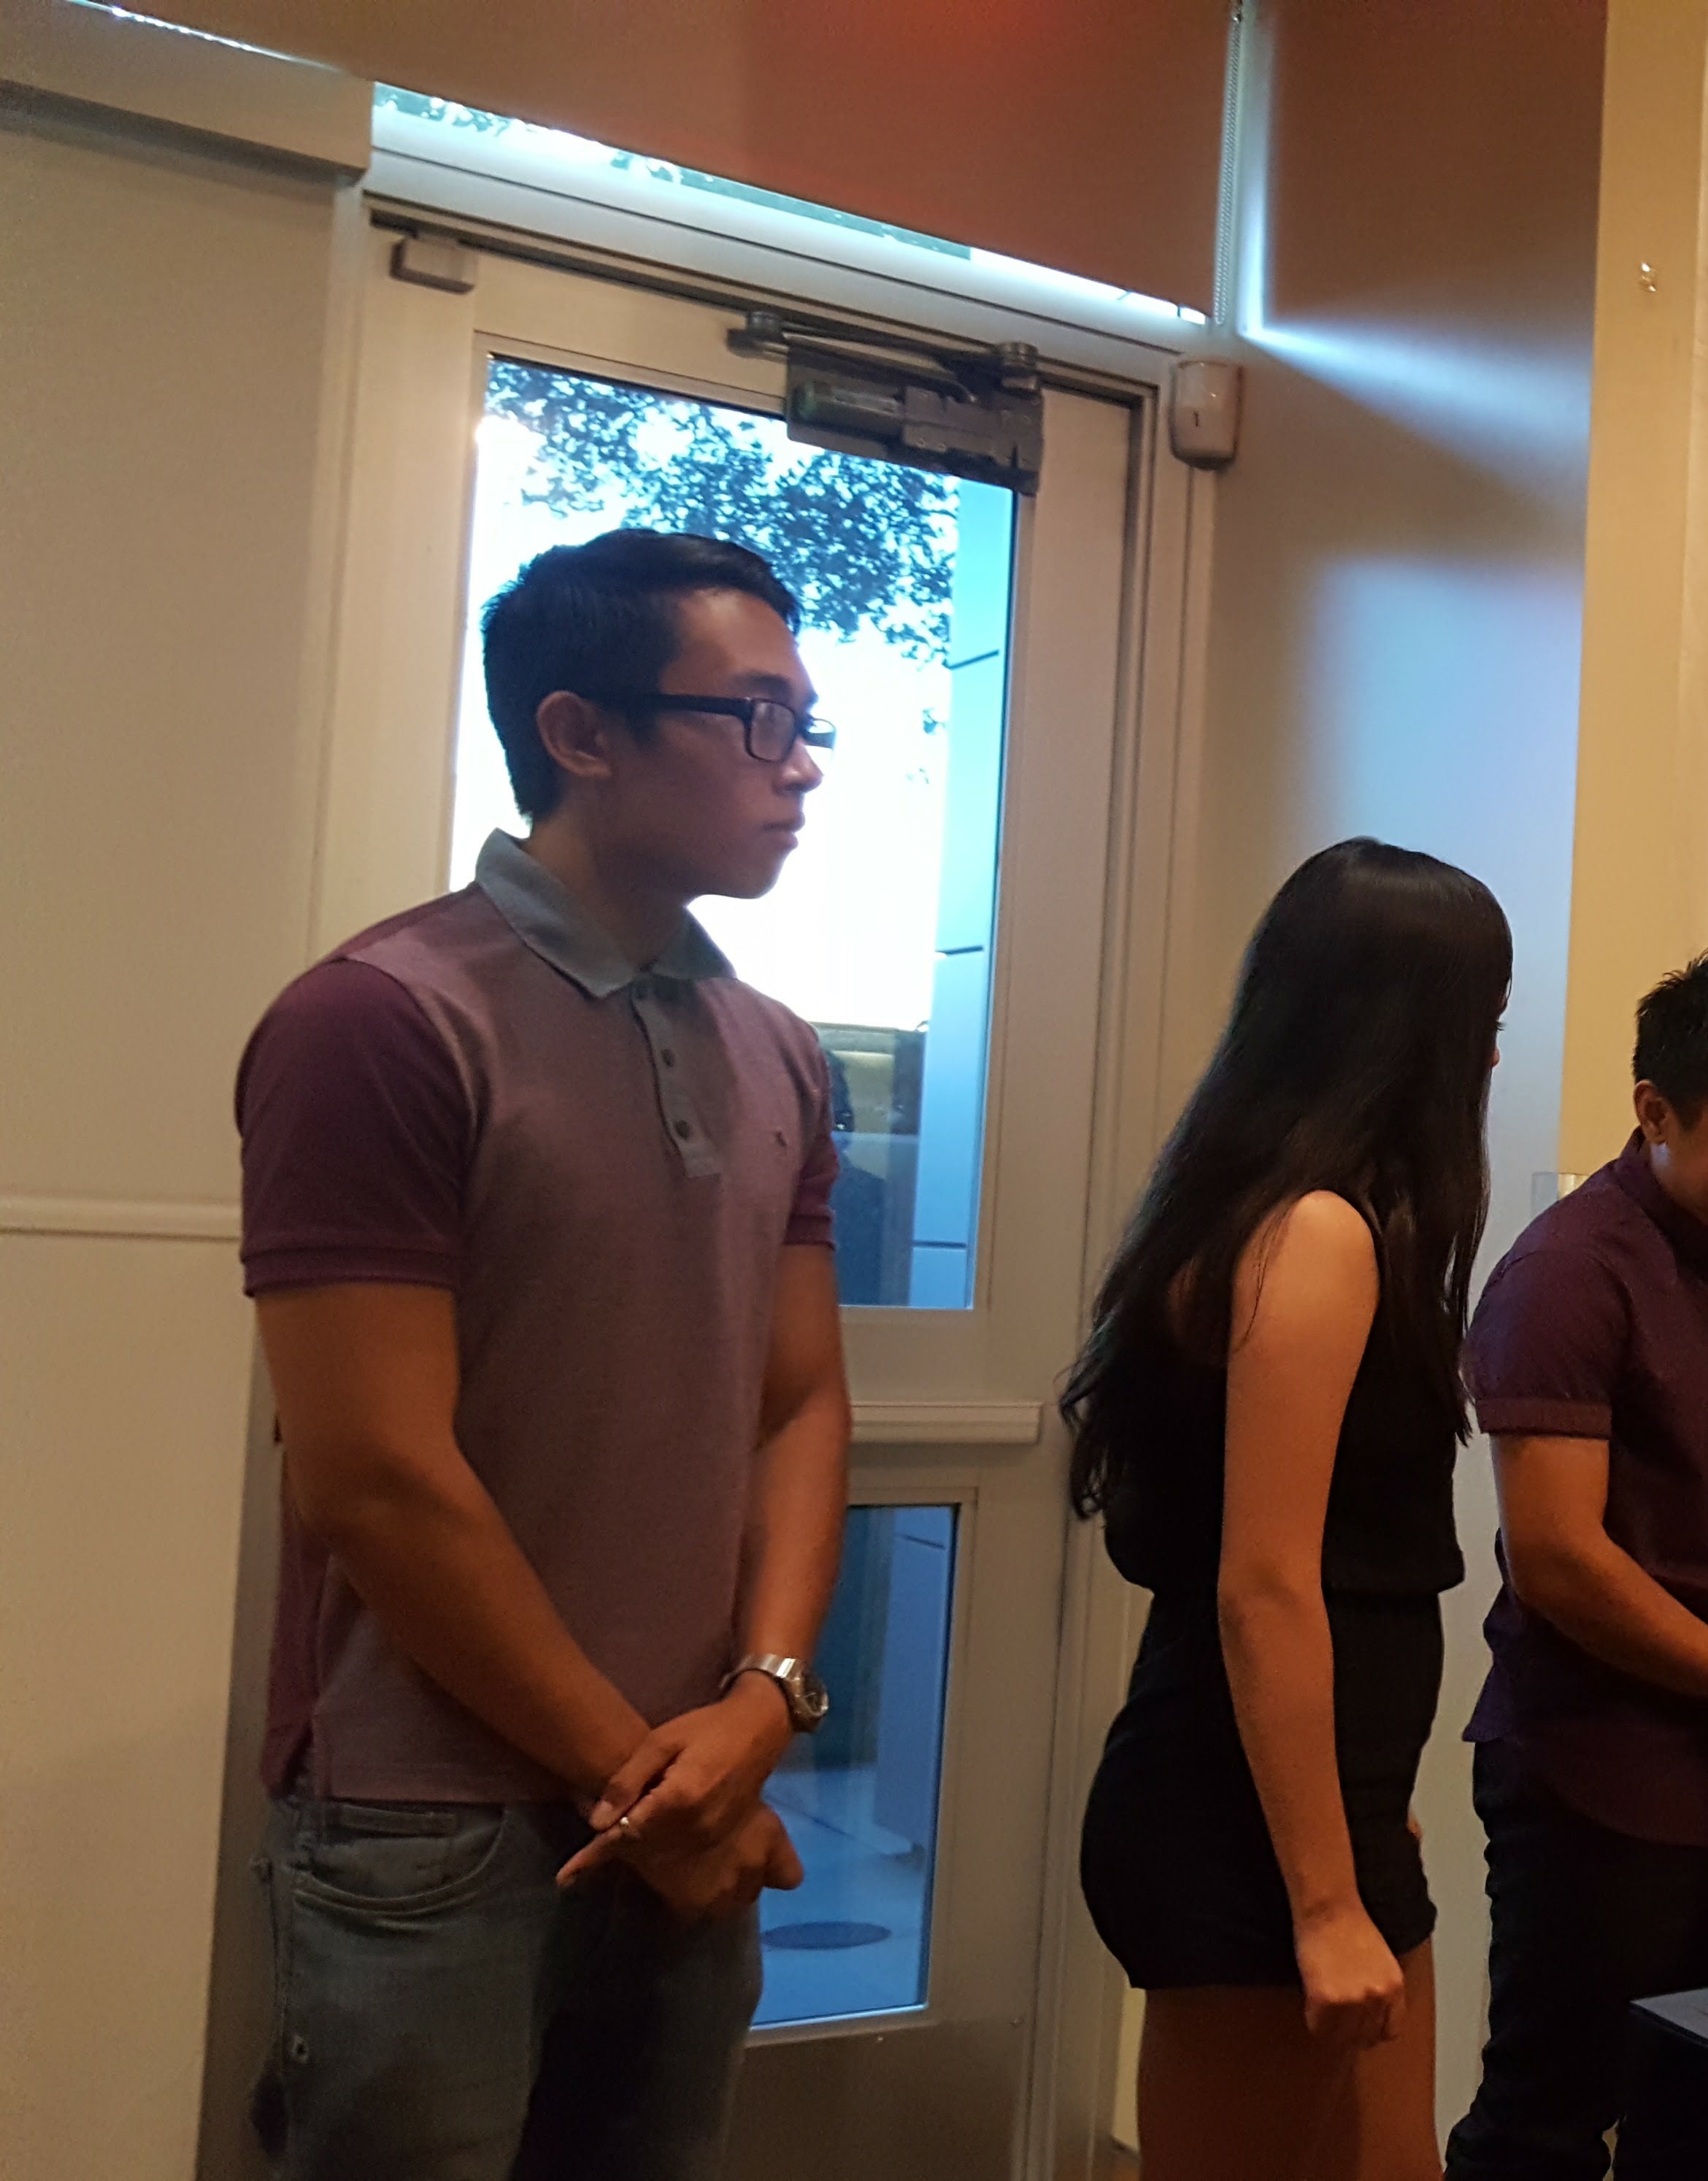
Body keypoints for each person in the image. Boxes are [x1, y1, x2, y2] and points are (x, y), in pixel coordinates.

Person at [235, 528, 850, 2179]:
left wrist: (762, 1701)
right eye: (757, 718)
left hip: (698, 1775)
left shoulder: (777, 1046)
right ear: (580, 732)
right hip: (430, 1816)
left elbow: (797, 1401)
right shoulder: (379, 1017)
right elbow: (374, 1473)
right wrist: (643, 1782)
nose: (799, 767)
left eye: (809, 725)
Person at [1068, 840, 1514, 2181]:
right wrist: (1322, 1895)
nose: (1491, 1056)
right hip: (1237, 1831)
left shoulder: (1301, 1217)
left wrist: (1364, 1813)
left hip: (1317, 1809)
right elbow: (1265, 1585)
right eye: (1481, 1022)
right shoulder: (1313, 1234)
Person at [1445, 948, 1708, 2181]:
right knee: (1546, 2121)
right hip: (1595, 1765)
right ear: (1655, 1111)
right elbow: (1558, 1557)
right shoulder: (1564, 1274)